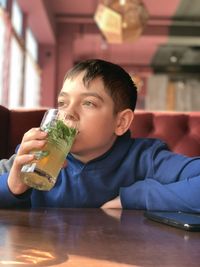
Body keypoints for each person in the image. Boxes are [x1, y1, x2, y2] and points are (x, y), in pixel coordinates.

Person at [0, 59, 200, 211]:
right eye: (62, 103)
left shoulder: (146, 159)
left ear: (121, 122)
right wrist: (13, 184)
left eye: (88, 103)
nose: (68, 112)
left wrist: (137, 196)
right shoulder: (36, 155)